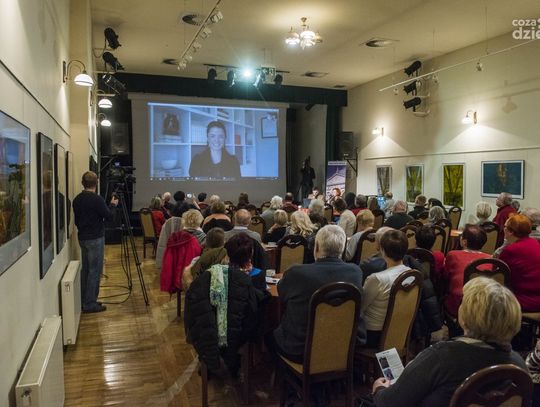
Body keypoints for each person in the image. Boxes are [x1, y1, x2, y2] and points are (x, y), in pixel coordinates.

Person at [372, 277, 526, 406]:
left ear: (466, 318)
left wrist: (379, 389)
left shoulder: (441, 357)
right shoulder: (518, 365)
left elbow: (389, 402)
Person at [272, 225, 366, 362]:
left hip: (300, 349)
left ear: (316, 247)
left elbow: (282, 295)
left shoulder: (297, 273)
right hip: (343, 345)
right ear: (343, 249)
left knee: (270, 332)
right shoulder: (355, 272)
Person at [73, 171, 118, 313]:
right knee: (95, 271)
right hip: (95, 239)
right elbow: (109, 217)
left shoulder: (77, 199)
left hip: (82, 238)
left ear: (83, 183)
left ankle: (85, 300)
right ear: (96, 183)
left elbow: (77, 220)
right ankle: (90, 303)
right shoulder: (97, 200)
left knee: (86, 270)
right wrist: (113, 205)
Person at [361, 229, 411, 346]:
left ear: (382, 250)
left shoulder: (377, 279)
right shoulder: (412, 274)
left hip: (373, 334)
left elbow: (361, 307)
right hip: (400, 330)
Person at [442, 224, 490, 317]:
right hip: (482, 307)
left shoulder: (453, 255)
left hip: (458, 306)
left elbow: (445, 277)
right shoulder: (490, 259)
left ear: (464, 242)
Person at [498, 214, 540, 311]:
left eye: (505, 227)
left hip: (526, 299)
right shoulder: (535, 243)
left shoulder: (511, 250)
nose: (503, 229)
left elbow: (499, 275)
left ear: (511, 232)